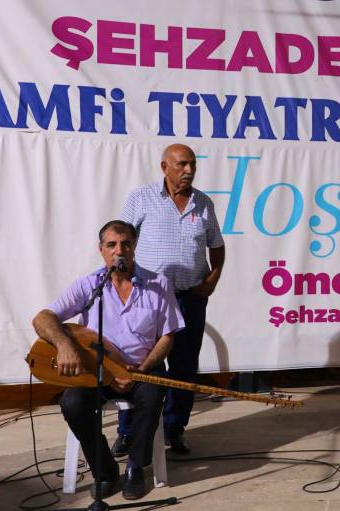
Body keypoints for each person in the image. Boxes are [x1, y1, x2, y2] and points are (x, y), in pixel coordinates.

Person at [31, 221, 184, 500]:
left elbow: (167, 337)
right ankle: (104, 470)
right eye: (111, 245)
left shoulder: (158, 284)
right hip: (96, 373)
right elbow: (43, 318)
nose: (119, 250)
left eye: (126, 244)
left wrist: (141, 369)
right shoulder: (90, 285)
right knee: (72, 403)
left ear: (134, 247)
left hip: (142, 370)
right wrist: (64, 345)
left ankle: (135, 467)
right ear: (101, 249)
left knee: (153, 395)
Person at [116, 143, 225, 456]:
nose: (189, 170)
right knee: (139, 363)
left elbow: (217, 245)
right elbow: (121, 240)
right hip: (148, 298)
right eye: (182, 165)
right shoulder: (141, 198)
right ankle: (128, 432)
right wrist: (123, 282)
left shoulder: (203, 203)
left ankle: (174, 429)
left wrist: (212, 280)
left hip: (190, 298)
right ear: (164, 167)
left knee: (184, 365)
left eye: (192, 164)